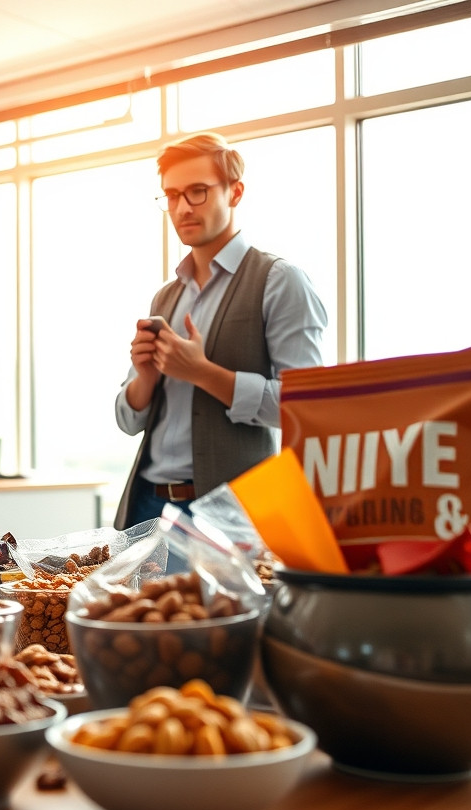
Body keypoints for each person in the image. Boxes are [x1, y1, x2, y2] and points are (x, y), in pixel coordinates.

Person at [114, 132, 327, 530]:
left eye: (197, 192)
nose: (181, 208)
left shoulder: (280, 281)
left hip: (230, 514)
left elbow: (303, 406)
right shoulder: (165, 297)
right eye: (172, 196)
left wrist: (202, 373)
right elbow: (128, 420)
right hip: (147, 506)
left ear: (235, 192)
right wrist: (145, 378)